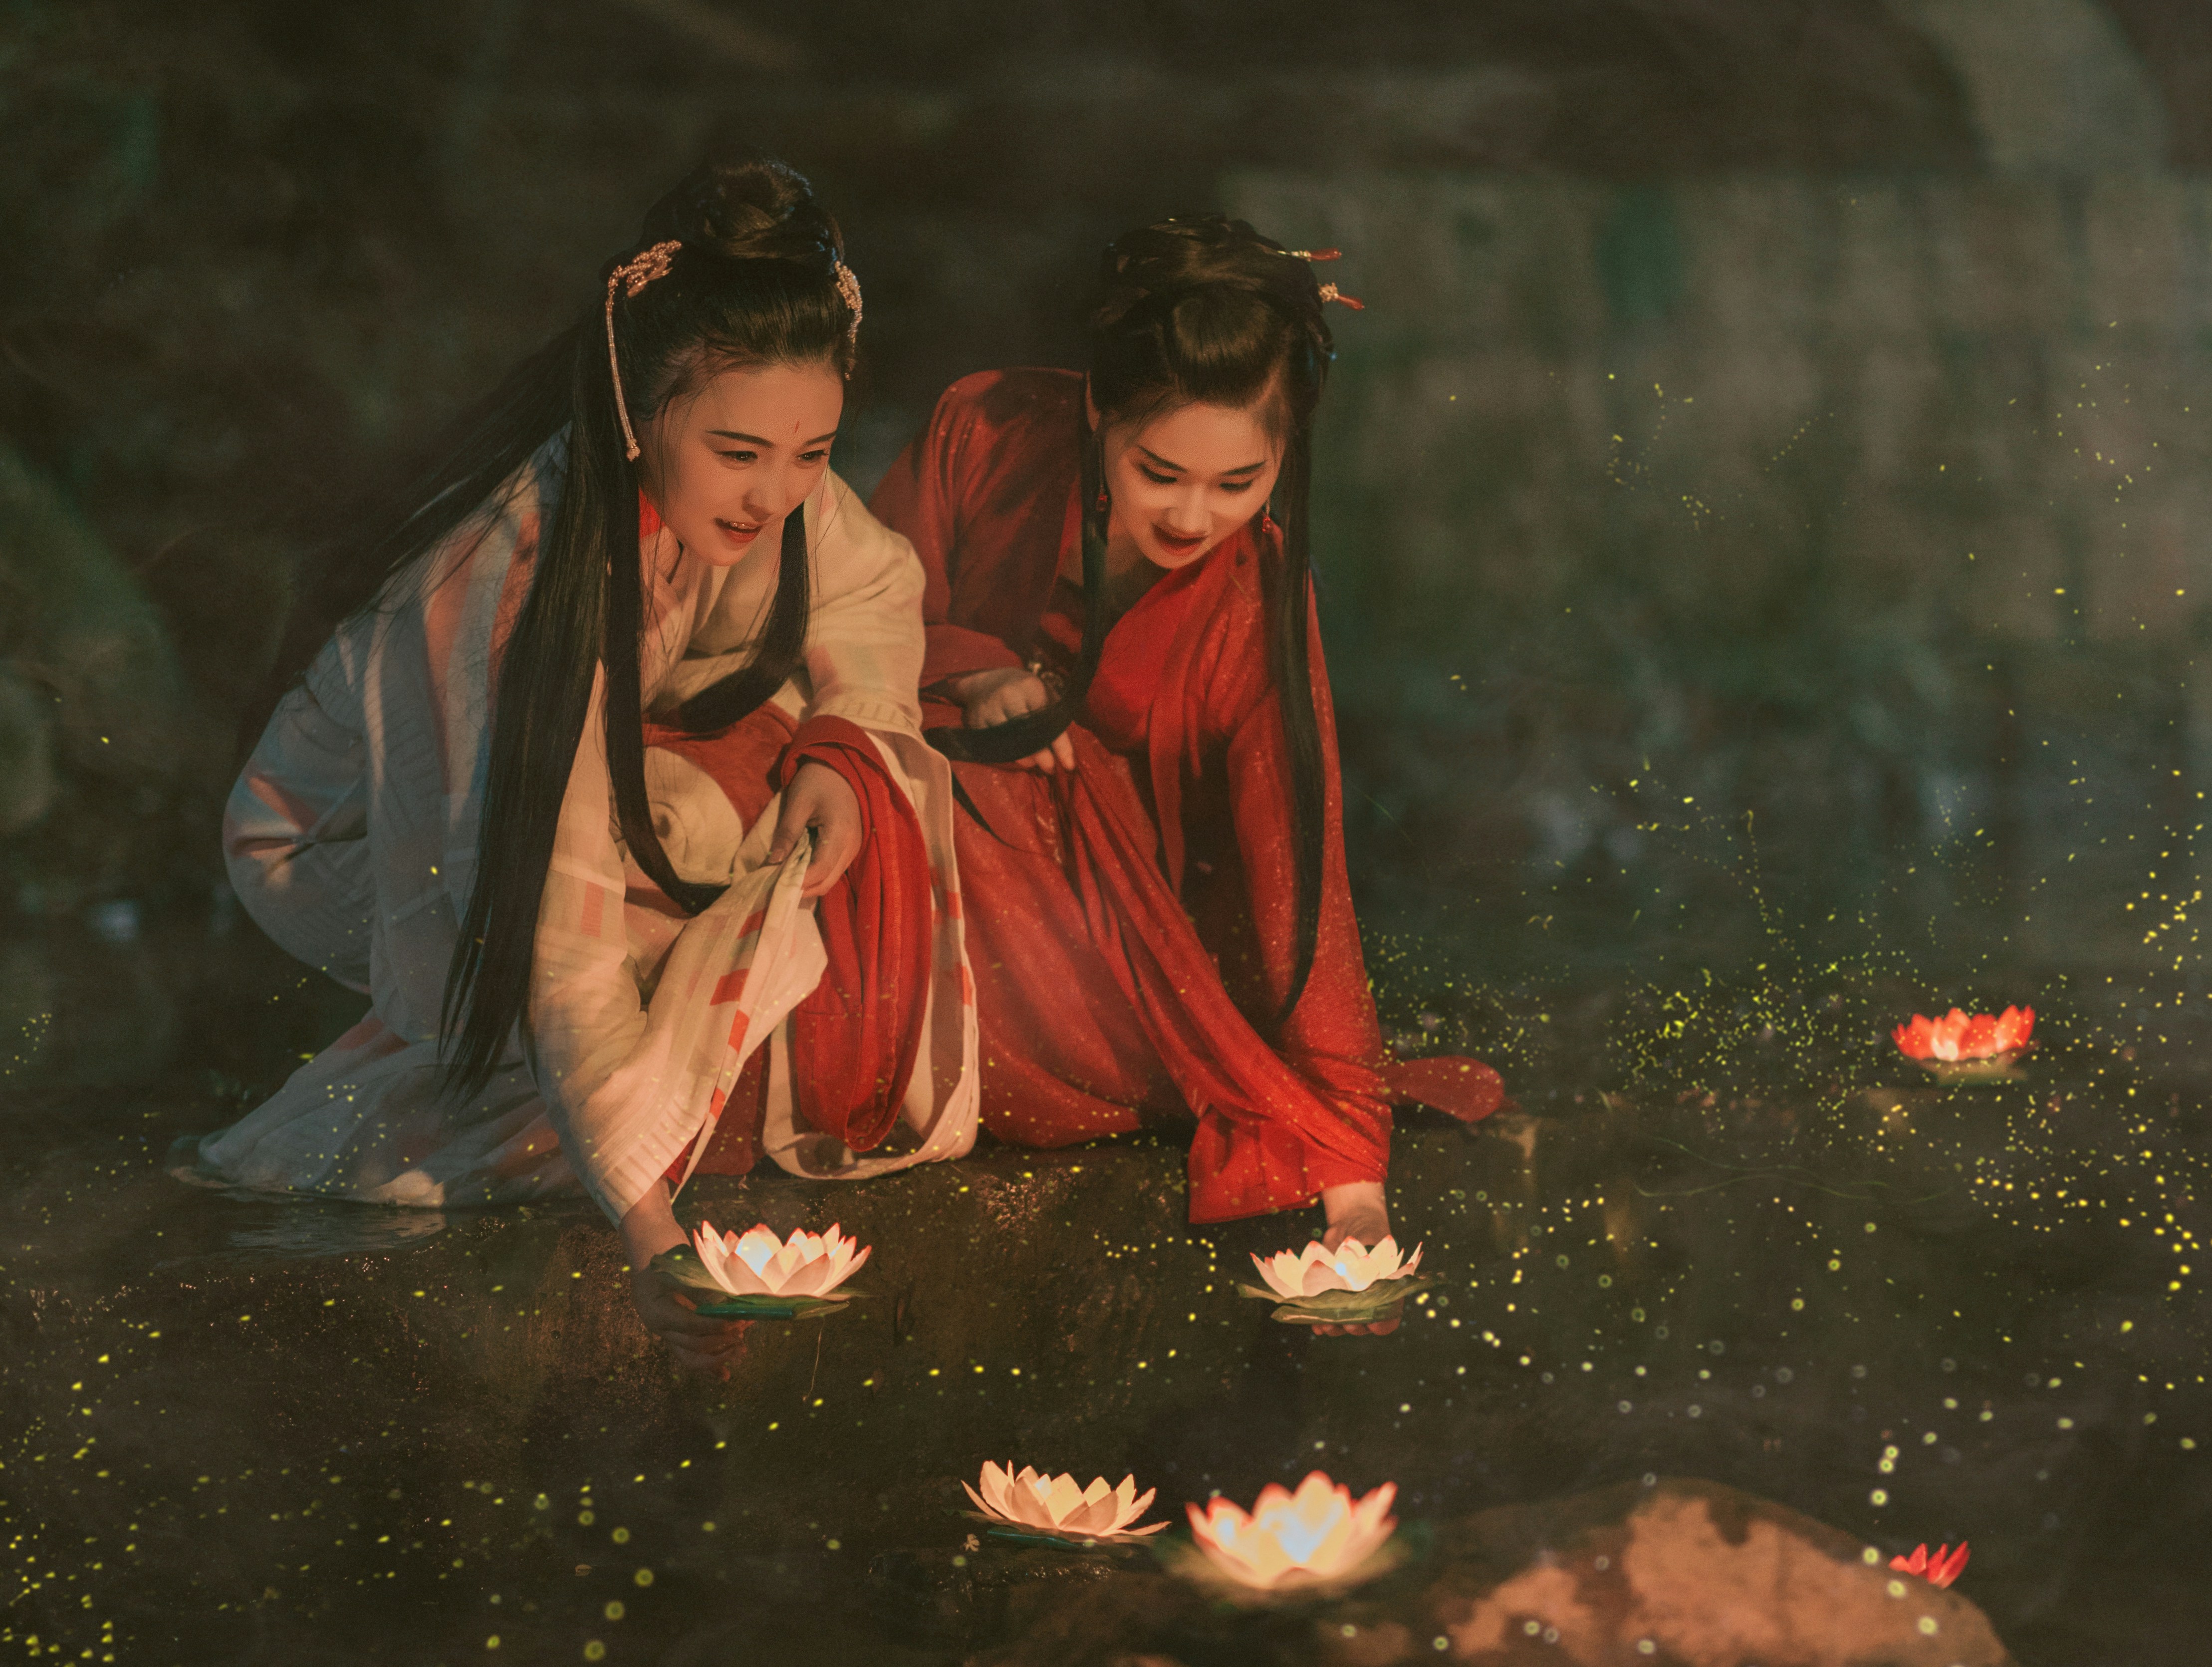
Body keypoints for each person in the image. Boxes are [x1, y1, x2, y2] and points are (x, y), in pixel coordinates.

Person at [182, 157, 977, 1378]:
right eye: (740, 452)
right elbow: (549, 913)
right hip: (344, 847)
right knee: (633, 987)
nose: (776, 495)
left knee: (812, 864)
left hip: (586, 791)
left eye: (811, 451)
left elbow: (874, 584)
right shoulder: (508, 573)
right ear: (631, 399)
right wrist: (645, 1216)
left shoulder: (763, 480)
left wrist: (848, 736)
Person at [871, 216, 1499, 1336]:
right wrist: (968, 672)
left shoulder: (1251, 597)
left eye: (1238, 482)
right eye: (1160, 474)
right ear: (1097, 410)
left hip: (1094, 931)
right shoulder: (985, 426)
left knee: (1026, 769)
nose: (1192, 516)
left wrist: (1351, 1172)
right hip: (914, 823)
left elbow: (1294, 859)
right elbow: (852, 618)